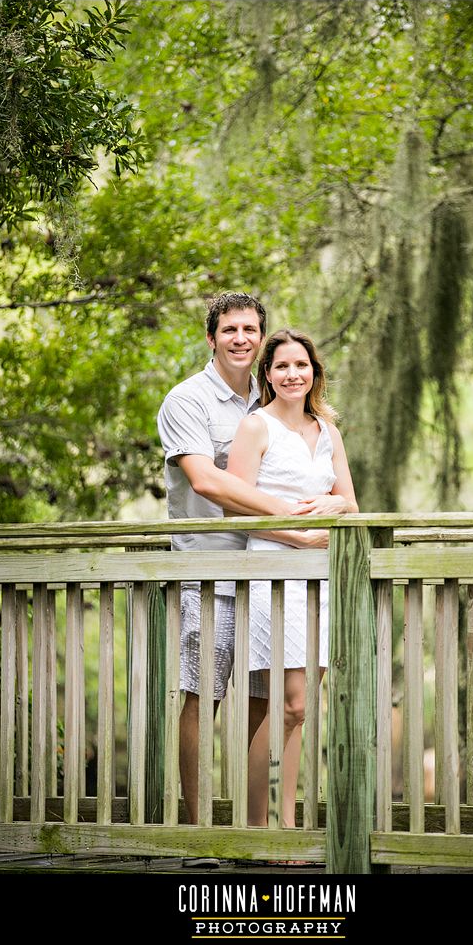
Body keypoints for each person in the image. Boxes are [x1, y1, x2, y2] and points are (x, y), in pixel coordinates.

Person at [157, 293, 317, 864]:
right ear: (211, 338)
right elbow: (207, 484)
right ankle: (201, 836)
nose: (241, 338)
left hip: (269, 574)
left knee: (262, 701)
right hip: (210, 571)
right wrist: (294, 523)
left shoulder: (270, 397)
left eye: (251, 329)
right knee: (204, 696)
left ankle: (256, 831)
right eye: (230, 329)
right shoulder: (187, 400)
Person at [226, 328, 358, 829]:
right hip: (273, 573)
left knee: (298, 711)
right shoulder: (256, 427)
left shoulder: (327, 430)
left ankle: (286, 825)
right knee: (292, 704)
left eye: (301, 365)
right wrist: (299, 538)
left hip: (319, 580)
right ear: (267, 374)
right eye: (281, 366)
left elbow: (351, 501)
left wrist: (334, 503)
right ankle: (258, 826)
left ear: (314, 373)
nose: (292, 374)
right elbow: (237, 506)